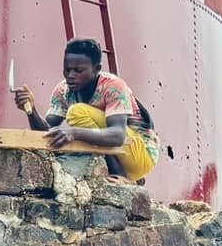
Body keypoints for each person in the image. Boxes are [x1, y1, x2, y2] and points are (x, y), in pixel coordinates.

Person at [11, 37, 156, 182]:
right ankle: (121, 175)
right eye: (67, 70)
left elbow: (118, 135)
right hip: (117, 151)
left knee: (77, 112)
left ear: (97, 69)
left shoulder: (113, 86)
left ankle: (122, 175)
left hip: (140, 154)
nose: (70, 76)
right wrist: (31, 110)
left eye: (78, 70)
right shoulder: (63, 90)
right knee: (71, 128)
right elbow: (47, 134)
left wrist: (75, 133)